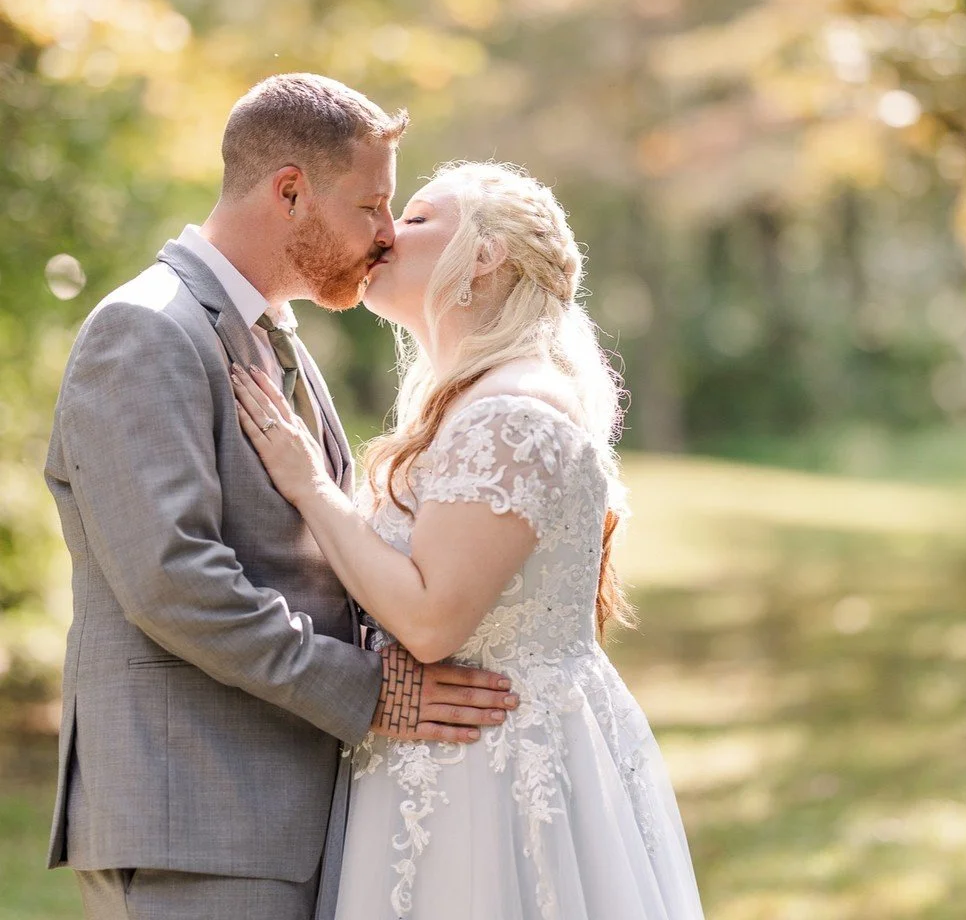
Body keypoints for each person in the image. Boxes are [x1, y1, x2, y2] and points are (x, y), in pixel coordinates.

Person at [44, 75, 518, 920]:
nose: (385, 236)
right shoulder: (147, 330)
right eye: (372, 207)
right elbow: (173, 579)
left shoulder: (272, 336)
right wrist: (368, 690)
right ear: (290, 190)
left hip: (279, 808)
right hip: (194, 816)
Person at [231, 160, 706, 919]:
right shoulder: (477, 403)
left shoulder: (507, 413)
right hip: (444, 760)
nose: (385, 232)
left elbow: (429, 621)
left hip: (490, 780)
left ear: (484, 257)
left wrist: (309, 486)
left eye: (417, 218)